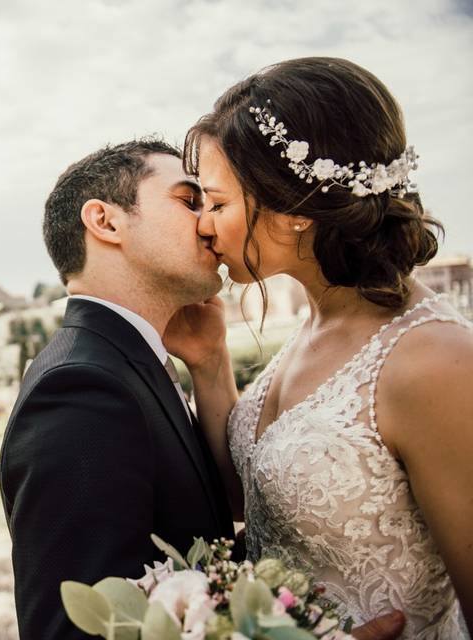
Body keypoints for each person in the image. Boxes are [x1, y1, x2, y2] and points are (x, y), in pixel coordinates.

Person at [0, 137, 406, 639]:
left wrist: (210, 362)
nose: (209, 223)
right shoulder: (80, 389)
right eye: (189, 201)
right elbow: (75, 630)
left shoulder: (130, 362)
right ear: (106, 222)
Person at [168, 57, 472, 639]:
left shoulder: (435, 361)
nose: (203, 226)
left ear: (295, 210)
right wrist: (209, 363)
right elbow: (250, 501)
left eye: (218, 203)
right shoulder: (315, 327)